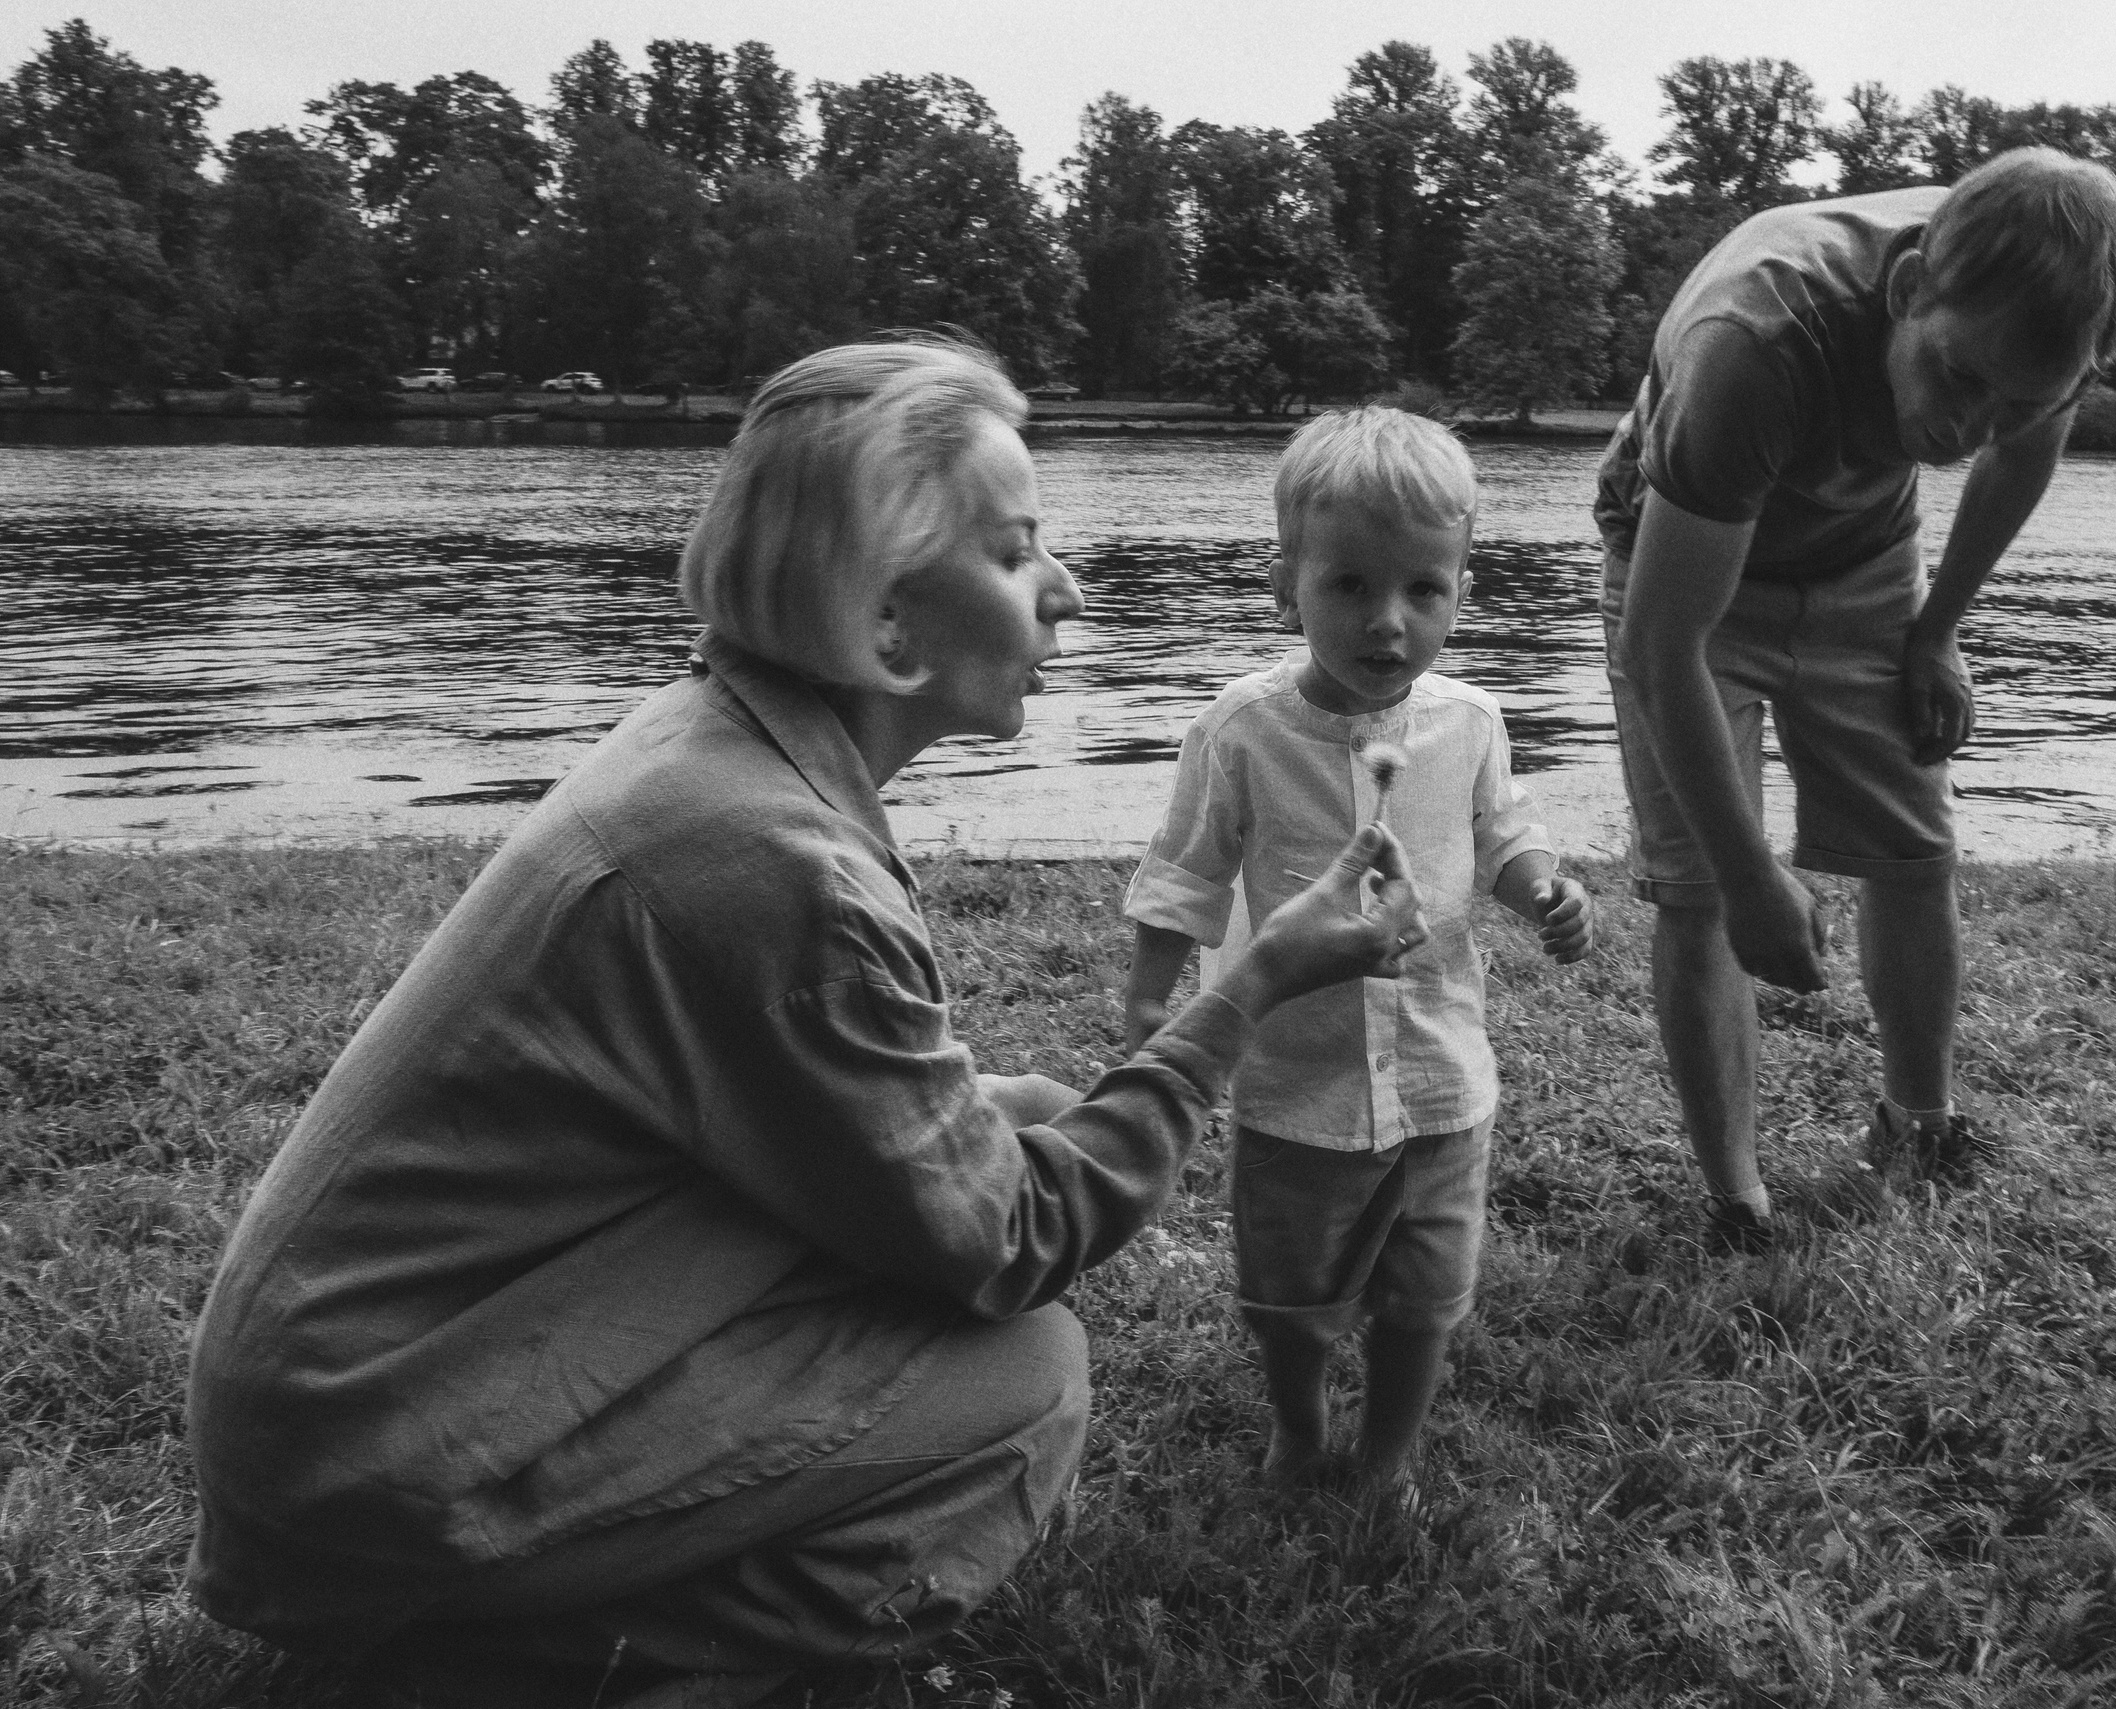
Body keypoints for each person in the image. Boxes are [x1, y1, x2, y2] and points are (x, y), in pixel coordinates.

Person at [184, 339, 1429, 1709]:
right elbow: (1012, 1248)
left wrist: (988, 1119)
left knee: (991, 1161)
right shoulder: (778, 870)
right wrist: (1246, 992)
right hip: (385, 1455)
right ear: (889, 626)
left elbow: (798, 1132)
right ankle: (516, 1671)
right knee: (1023, 1383)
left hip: (347, 1409)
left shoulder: (717, 743)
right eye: (1018, 555)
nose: (1066, 593)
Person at [1595, 147, 2116, 1241]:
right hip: (1689, 563)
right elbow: (1666, 646)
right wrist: (1754, 876)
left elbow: (2015, 455)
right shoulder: (1753, 342)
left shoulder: (2043, 327)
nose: (1969, 425)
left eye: (2017, 401)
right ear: (1905, 295)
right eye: (1954, 381)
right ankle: (1735, 1196)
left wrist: (1935, 631)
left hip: (1859, 554)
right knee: (1702, 887)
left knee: (1912, 841)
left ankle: (1918, 1125)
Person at [1121, 407, 1594, 1493]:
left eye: (1423, 589)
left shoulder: (1469, 721)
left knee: (1425, 1291)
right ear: (1286, 585)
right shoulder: (1240, 730)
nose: (1389, 622)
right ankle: (1297, 1424)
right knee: (1290, 1293)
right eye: (1349, 586)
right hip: (1298, 1084)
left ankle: (1384, 1455)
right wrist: (1151, 998)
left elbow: (1500, 830)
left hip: (1439, 1080)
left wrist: (1541, 889)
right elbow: (1185, 870)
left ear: (1460, 592)